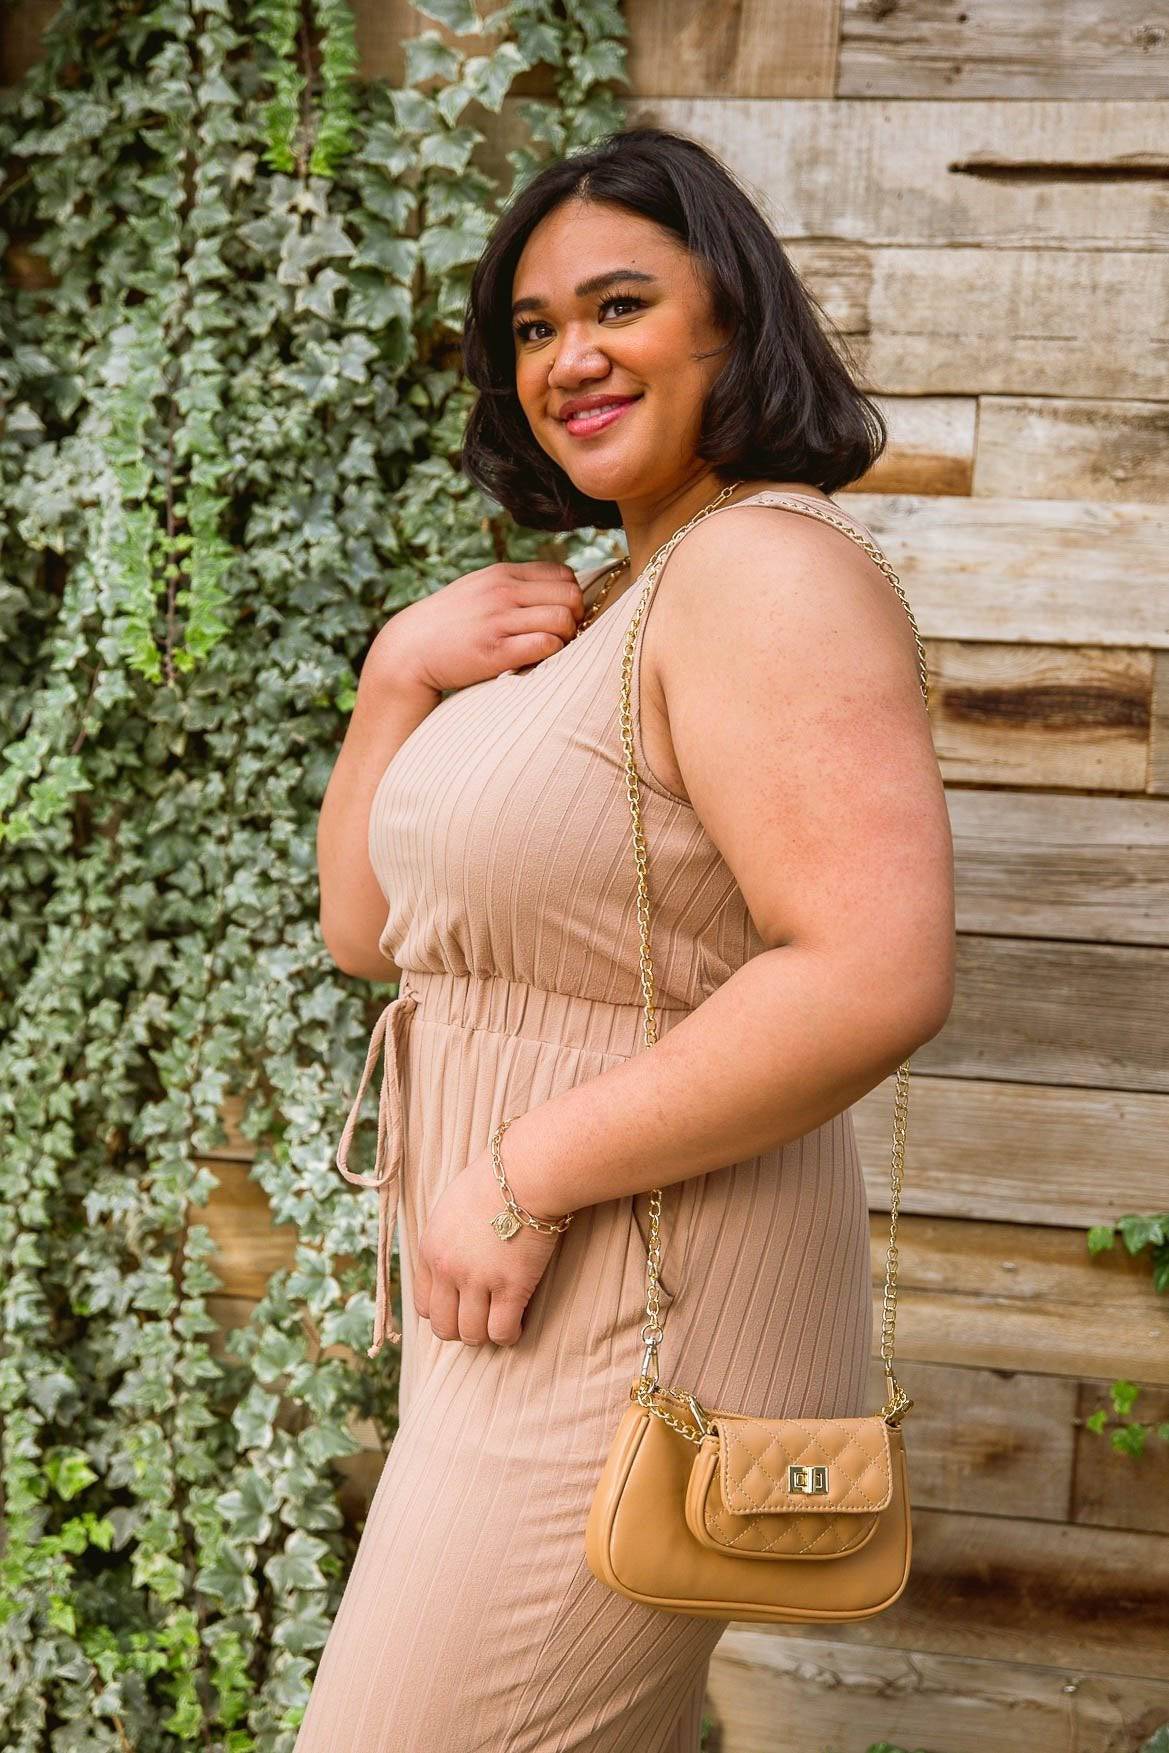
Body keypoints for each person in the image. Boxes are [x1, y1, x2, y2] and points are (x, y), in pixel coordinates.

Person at [301, 124, 954, 1753]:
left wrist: (521, 1174)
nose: (567, 359)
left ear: (731, 315)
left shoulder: (760, 573)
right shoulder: (612, 599)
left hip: (637, 1291)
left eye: (617, 306)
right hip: (529, 1290)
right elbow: (370, 934)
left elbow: (872, 969)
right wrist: (396, 675)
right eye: (533, 327)